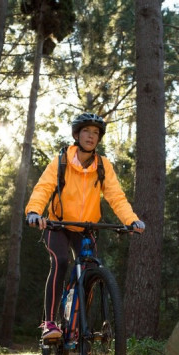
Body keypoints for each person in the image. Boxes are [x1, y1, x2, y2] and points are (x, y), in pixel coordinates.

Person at [25, 112, 145, 341]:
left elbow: (116, 196)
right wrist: (33, 211)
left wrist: (131, 220)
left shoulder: (103, 166)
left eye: (96, 133)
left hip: (86, 228)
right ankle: (50, 323)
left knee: (90, 271)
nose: (91, 136)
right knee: (60, 261)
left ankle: (77, 325)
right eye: (87, 131)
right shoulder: (61, 161)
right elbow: (43, 188)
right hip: (57, 225)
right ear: (77, 135)